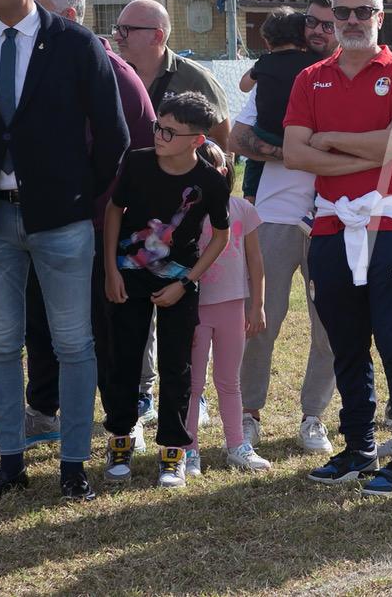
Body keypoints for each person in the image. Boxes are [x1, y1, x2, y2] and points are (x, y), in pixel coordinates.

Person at [0, 0, 129, 503]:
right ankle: (10, 462)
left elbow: (114, 136)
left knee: (74, 345)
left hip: (62, 222)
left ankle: (73, 464)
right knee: (0, 345)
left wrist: (74, 196)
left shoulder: (77, 46)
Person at [0, 0, 156, 454]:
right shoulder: (23, 65)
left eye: (35, 7)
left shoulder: (112, 72)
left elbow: (129, 154)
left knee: (106, 329)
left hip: (99, 227)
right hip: (39, 221)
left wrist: (90, 208)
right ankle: (43, 410)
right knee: (40, 322)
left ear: (69, 17)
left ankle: (124, 418)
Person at [283, 0, 392, 496]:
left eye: (360, 12)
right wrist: (365, 149)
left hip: (389, 222)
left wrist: (331, 139)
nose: (349, 21)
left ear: (379, 15)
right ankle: (359, 448)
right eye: (338, 15)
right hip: (329, 223)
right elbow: (295, 153)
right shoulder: (310, 78)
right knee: (345, 344)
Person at [103, 92, 231, 488]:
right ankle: (120, 439)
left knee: (178, 366)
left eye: (170, 132)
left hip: (178, 282)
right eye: (159, 126)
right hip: (127, 275)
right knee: (123, 359)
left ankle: (173, 453)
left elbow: (220, 237)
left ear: (196, 140)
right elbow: (113, 211)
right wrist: (110, 269)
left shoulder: (210, 181)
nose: (159, 135)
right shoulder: (137, 162)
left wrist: (185, 282)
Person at [231, 0, 340, 455]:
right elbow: (237, 137)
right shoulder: (279, 77)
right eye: (312, 23)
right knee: (259, 321)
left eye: (328, 24)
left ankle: (313, 416)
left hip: (335, 216)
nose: (318, 30)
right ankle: (249, 414)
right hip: (273, 214)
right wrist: (287, 154)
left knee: (331, 325)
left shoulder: (351, 80)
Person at [184, 141, 270, 476]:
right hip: (195, 309)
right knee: (192, 383)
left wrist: (257, 305)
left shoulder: (242, 211)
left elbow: (256, 263)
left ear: (225, 171)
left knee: (229, 381)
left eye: (213, 167)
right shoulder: (185, 214)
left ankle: (237, 445)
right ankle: (188, 450)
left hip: (233, 308)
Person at [114, 0, 230, 148]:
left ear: (157, 36)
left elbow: (223, 144)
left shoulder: (196, 78)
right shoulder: (111, 73)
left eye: (126, 29)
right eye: (117, 28)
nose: (116, 37)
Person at [238, 7, 322, 200]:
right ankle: (319, 198)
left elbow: (243, 86)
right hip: (303, 136)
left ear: (267, 41)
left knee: (255, 163)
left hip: (266, 133)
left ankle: (250, 196)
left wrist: (258, 69)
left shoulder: (265, 62)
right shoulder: (314, 63)